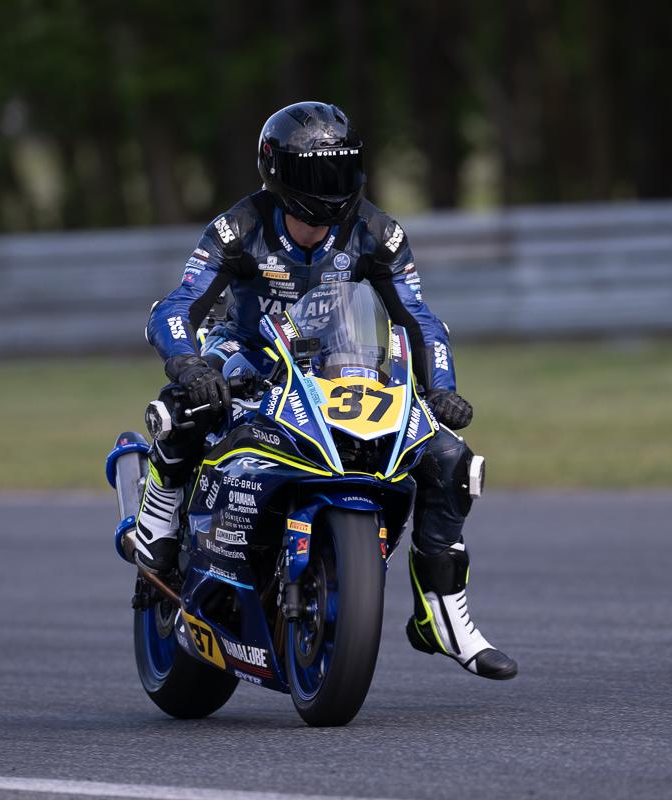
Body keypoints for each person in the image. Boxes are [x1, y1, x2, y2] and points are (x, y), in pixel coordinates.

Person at [132, 101, 516, 680]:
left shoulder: (380, 234)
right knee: (188, 404)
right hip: (247, 355)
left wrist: (440, 390)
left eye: (341, 169)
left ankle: (441, 614)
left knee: (451, 460)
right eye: (315, 173)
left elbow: (419, 320)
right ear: (279, 173)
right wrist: (189, 365)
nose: (330, 187)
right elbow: (176, 306)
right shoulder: (239, 227)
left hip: (341, 364)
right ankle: (159, 518)